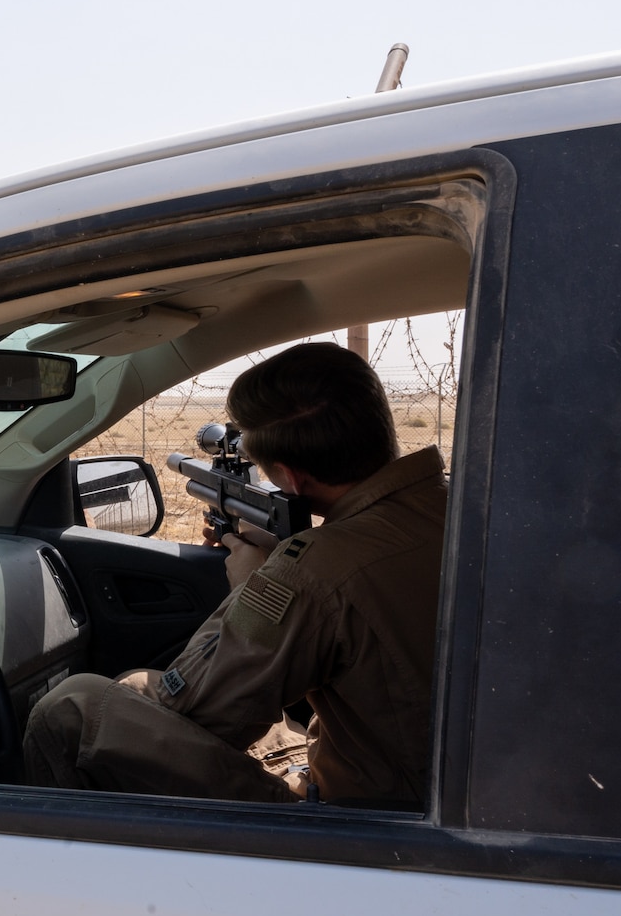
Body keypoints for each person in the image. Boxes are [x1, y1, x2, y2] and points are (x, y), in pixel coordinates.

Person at [22, 341, 446, 808]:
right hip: (436, 785)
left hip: (372, 824)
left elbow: (199, 711)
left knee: (74, 709)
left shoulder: (317, 568)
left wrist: (254, 586)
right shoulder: (463, 511)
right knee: (132, 690)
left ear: (290, 478)